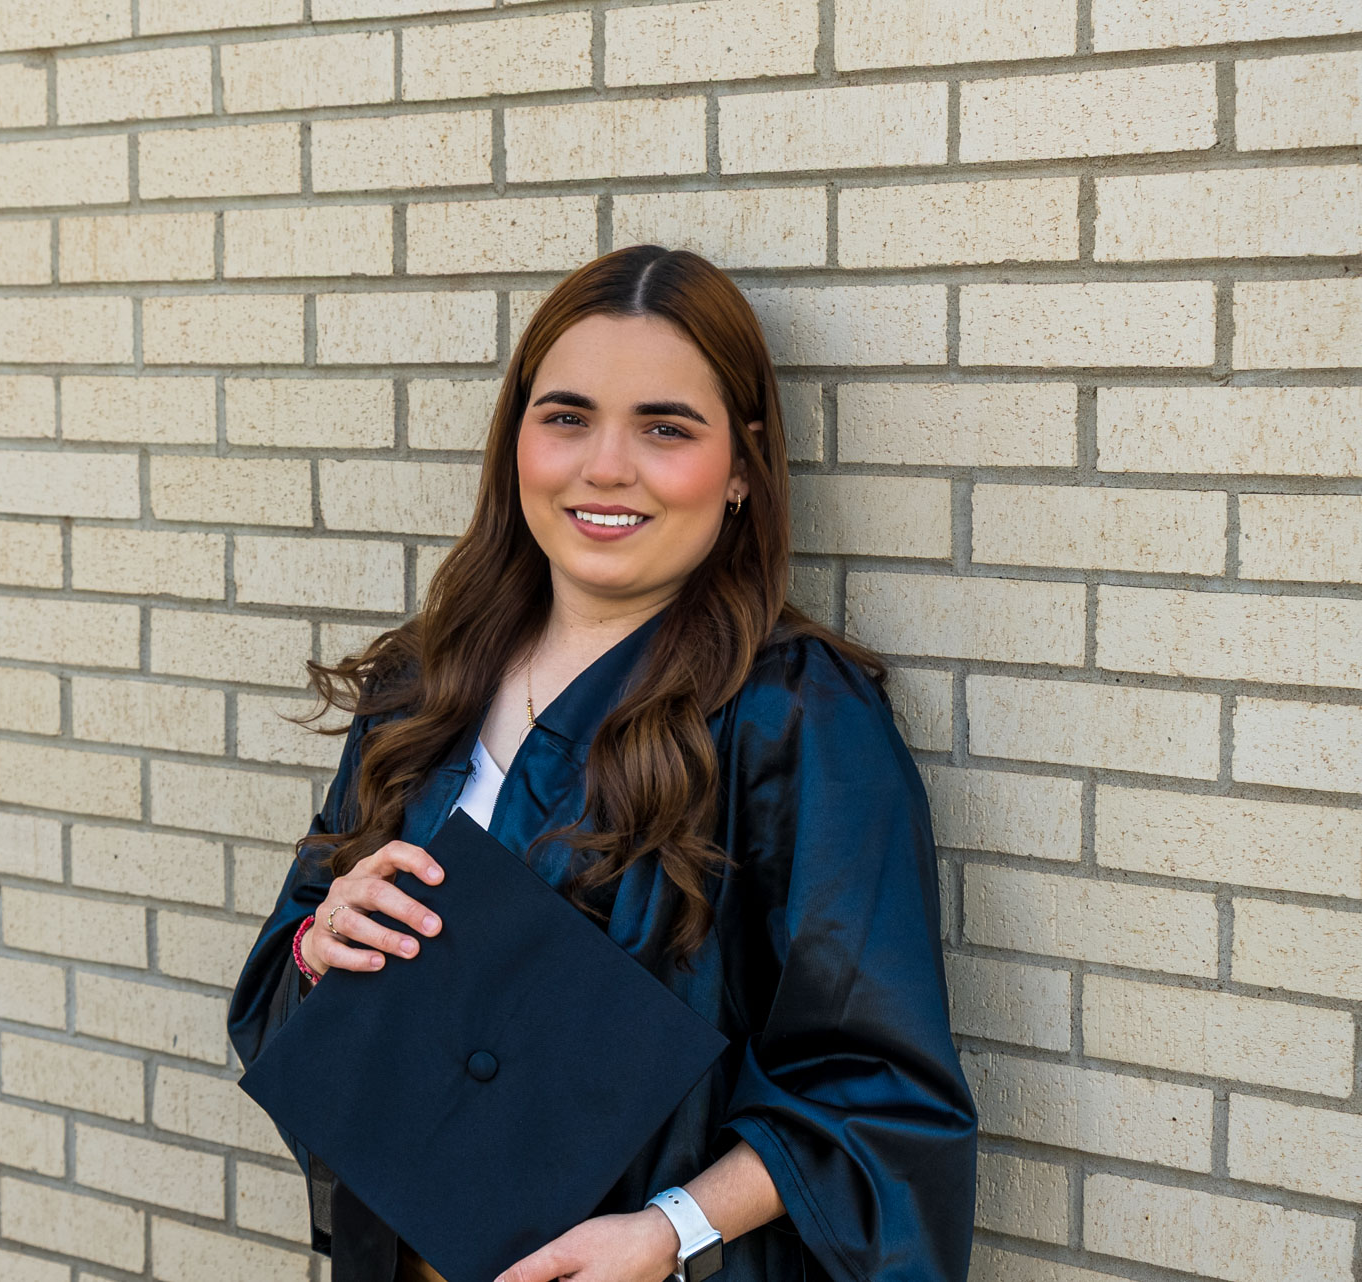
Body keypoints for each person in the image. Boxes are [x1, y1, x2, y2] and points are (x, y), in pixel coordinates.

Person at [227, 244, 978, 1282]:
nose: (605, 466)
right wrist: (324, 942)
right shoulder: (423, 690)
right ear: (517, 439)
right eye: (567, 416)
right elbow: (283, 986)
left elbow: (875, 1087)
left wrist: (669, 1229)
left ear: (744, 468)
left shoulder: (792, 717)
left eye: (666, 427)